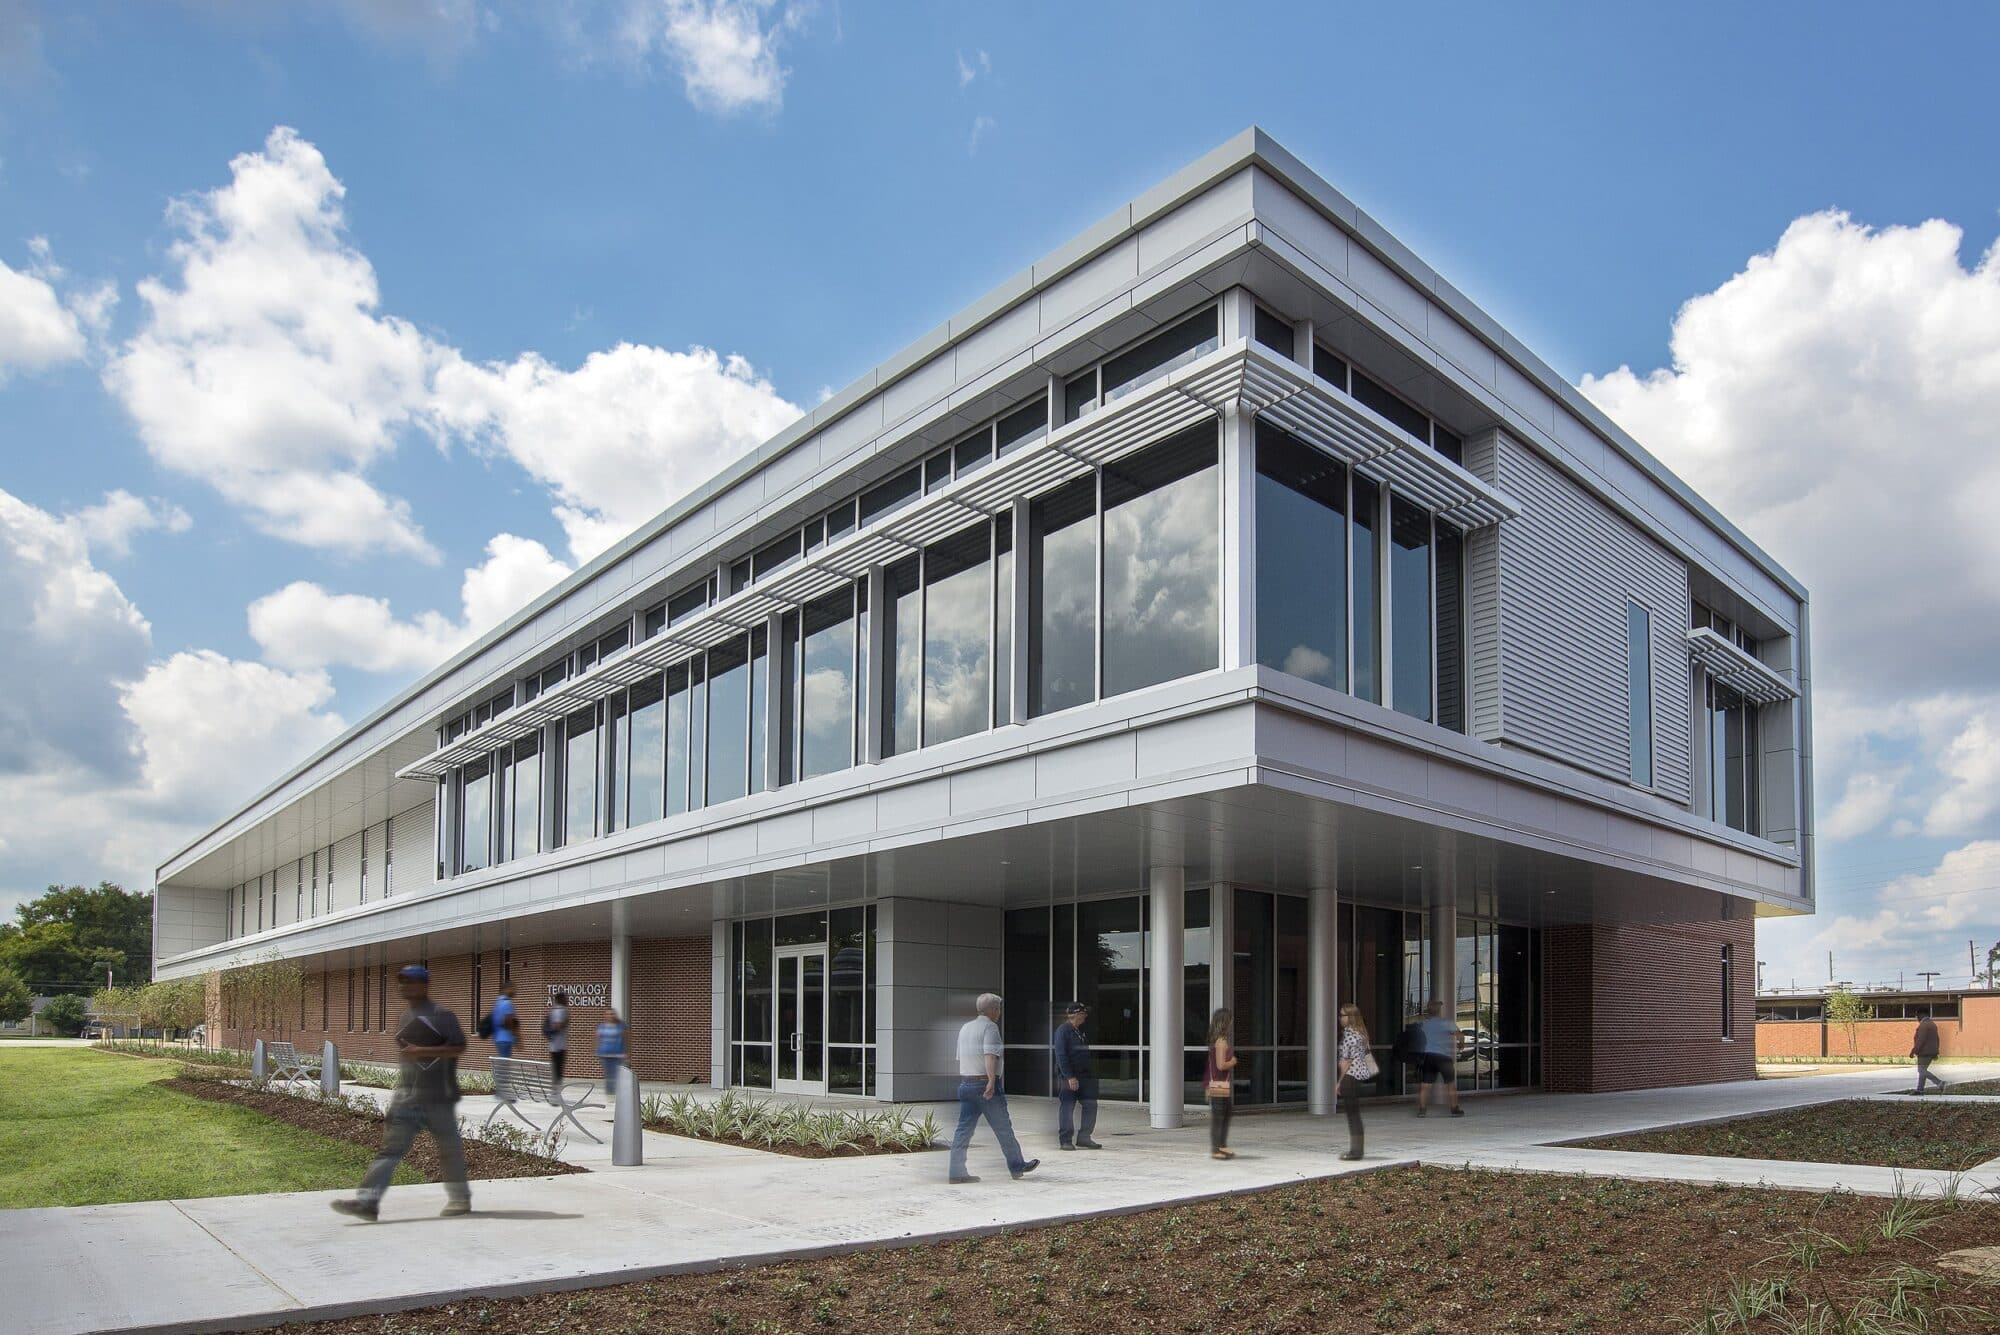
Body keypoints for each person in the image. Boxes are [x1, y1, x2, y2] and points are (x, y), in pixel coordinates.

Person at [330, 965, 470, 1221]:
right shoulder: (404, 1016)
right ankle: (367, 1202)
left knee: (449, 1149)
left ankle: (460, 1199)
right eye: (401, 982)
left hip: (438, 1096)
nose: (404, 987)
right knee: (390, 1150)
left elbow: (459, 1047)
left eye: (410, 982)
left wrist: (423, 1051)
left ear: (424, 985)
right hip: (407, 1096)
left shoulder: (443, 1015)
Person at [948, 993, 1038, 1184]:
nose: (999, 1012)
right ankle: (1017, 1165)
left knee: (963, 1130)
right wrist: (990, 1081)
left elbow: (960, 1057)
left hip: (966, 1083)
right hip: (985, 1085)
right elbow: (990, 1055)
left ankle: (956, 1172)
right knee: (1003, 1128)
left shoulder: (965, 1028)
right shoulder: (990, 1027)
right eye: (998, 1008)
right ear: (993, 1010)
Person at [1051, 1001, 1102, 1151]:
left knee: (1091, 1105)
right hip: (1070, 1077)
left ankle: (1084, 1137)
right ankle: (1065, 1140)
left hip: (1085, 1076)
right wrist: (1069, 1077)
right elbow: (1061, 1055)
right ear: (1076, 1015)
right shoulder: (1063, 1031)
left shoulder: (1079, 1030)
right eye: (1083, 1014)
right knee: (1067, 1107)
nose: (1085, 1016)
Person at [1337, 1003, 1377, 1160]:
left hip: (1349, 1077)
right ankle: (1357, 1149)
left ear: (1350, 1017)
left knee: (1352, 1114)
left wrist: (1339, 1081)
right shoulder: (1362, 1034)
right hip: (1358, 1077)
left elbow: (1346, 1061)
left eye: (1343, 1015)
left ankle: (1355, 1151)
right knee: (1355, 1114)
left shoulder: (1349, 1034)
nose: (1340, 1019)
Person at [1415, 1000, 1463, 1117]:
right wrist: (1461, 1045)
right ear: (1439, 1010)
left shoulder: (1424, 1024)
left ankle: (1422, 1110)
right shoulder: (1446, 1023)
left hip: (1428, 1056)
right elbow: (1460, 1035)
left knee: (1425, 1085)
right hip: (1444, 1057)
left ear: (1428, 1010)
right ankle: (1454, 1109)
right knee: (1450, 1084)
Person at [1206, 1008, 1237, 1160]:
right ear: (1225, 1023)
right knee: (1219, 1117)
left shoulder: (1218, 1041)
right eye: (1230, 1021)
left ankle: (1222, 1146)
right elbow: (1220, 1065)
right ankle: (1216, 1149)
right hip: (1219, 1085)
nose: (1231, 1024)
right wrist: (1232, 1061)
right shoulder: (1221, 1042)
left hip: (1220, 1084)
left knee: (1225, 1114)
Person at [1911, 1010, 1947, 1094]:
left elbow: (1921, 1039)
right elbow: (1937, 1039)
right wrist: (1936, 1051)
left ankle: (1939, 1083)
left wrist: (1914, 1050)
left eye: (1917, 1016)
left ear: (1922, 1014)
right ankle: (1920, 1089)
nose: (1917, 1018)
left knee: (1921, 1070)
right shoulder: (1932, 1024)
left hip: (1924, 1052)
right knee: (1923, 1070)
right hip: (1931, 1051)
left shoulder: (1924, 1025)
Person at [597, 1007, 627, 1096]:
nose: (610, 1015)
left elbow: (627, 1039)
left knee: (616, 1074)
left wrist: (627, 1052)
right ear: (605, 1015)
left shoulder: (621, 1026)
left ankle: (617, 1091)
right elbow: (597, 1038)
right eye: (608, 1014)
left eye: (612, 1013)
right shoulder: (602, 1026)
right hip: (605, 1054)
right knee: (608, 1075)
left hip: (617, 1054)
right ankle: (610, 1092)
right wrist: (596, 1050)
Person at [544, 989, 570, 1085]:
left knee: (556, 1070)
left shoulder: (554, 1010)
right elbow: (557, 1026)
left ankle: (555, 1091)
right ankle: (556, 1092)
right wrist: (566, 1022)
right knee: (558, 1071)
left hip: (554, 1045)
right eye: (565, 998)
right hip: (559, 1046)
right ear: (561, 999)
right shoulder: (561, 1010)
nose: (567, 1000)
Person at [490, 982, 519, 1060]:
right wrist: (516, 1037)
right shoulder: (507, 1003)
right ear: (506, 990)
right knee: (504, 1065)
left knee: (502, 1063)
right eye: (512, 989)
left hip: (498, 1038)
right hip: (506, 1038)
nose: (514, 991)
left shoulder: (498, 1002)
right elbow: (509, 1021)